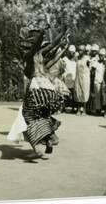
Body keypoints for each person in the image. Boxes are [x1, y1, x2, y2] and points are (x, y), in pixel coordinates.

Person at [17, 14, 70, 158]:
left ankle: (36, 149)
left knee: (28, 117)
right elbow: (53, 46)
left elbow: (38, 46)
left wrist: (42, 33)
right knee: (43, 114)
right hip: (49, 89)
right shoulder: (41, 54)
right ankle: (49, 139)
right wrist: (63, 32)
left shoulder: (29, 56)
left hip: (37, 88)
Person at [87, 44, 105, 115]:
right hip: (93, 79)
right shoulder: (90, 59)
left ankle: (98, 109)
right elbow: (92, 71)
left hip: (99, 79)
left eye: (95, 51)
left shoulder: (100, 60)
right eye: (93, 51)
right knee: (93, 95)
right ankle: (92, 109)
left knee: (99, 96)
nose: (94, 52)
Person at [74, 45, 91, 116]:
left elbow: (90, 68)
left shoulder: (87, 59)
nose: (80, 52)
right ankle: (78, 109)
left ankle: (84, 110)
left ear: (84, 51)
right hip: (78, 77)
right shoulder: (77, 58)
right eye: (79, 50)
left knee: (85, 93)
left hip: (85, 78)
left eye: (81, 50)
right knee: (78, 92)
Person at [61, 45, 77, 112]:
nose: (71, 54)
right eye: (70, 52)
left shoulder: (75, 60)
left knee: (73, 95)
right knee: (65, 94)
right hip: (66, 78)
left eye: (73, 52)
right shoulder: (64, 59)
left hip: (73, 79)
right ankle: (63, 107)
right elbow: (62, 69)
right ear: (68, 52)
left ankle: (73, 108)